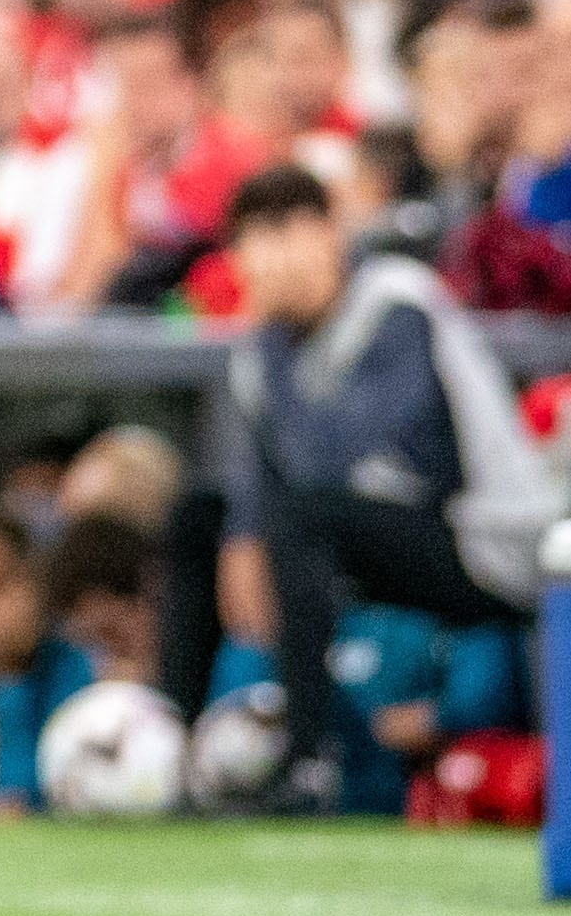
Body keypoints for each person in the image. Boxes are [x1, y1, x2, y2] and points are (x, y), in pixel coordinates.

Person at [219, 164, 557, 804]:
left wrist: (265, 526)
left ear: (329, 233)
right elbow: (259, 486)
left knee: (304, 518)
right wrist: (239, 539)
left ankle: (308, 762)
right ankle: (192, 747)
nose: (276, 259)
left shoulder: (397, 299)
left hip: (491, 541)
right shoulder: (259, 350)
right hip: (382, 539)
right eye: (257, 240)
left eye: (292, 232)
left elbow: (374, 463)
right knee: (196, 521)